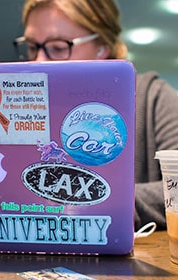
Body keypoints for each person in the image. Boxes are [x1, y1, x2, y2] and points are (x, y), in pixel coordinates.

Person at [16, 0, 178, 229]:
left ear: (103, 46)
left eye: (59, 47)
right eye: (32, 47)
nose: (39, 61)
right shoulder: (21, 111)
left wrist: (97, 203)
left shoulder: (152, 98)